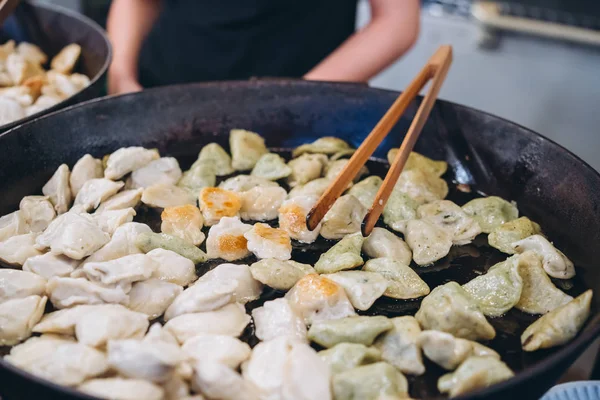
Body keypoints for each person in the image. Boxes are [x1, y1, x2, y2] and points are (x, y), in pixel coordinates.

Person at [107, 0, 420, 95]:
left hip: (306, 107)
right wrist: (120, 76)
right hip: (161, 93)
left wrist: (294, 100)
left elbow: (396, 21)